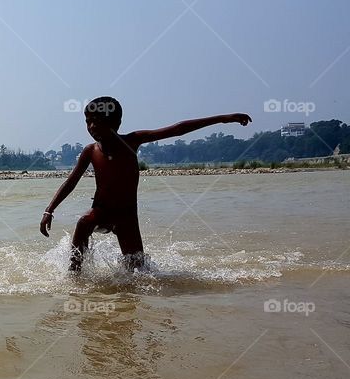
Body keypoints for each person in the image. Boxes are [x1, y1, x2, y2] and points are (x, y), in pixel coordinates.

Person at [39, 97, 251, 271]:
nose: (91, 126)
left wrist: (224, 119)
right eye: (88, 121)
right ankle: (75, 278)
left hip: (127, 216)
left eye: (97, 121)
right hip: (101, 211)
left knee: (137, 272)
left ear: (114, 123)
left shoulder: (131, 141)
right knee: (84, 222)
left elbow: (177, 129)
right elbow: (71, 181)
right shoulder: (90, 151)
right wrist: (49, 210)